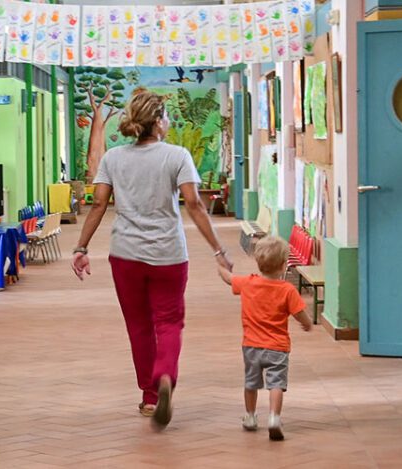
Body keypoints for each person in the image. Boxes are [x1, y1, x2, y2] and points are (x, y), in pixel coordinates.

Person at [71, 89, 233, 430]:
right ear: (158, 122)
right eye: (167, 117)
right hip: (169, 255)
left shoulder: (113, 158)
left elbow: (98, 204)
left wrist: (81, 248)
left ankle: (149, 396)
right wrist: (219, 249)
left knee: (139, 326)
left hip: (126, 256)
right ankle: (165, 376)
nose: (170, 122)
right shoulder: (177, 156)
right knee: (169, 322)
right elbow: (194, 204)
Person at [217, 236, 312, 441]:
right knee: (276, 383)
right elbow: (301, 315)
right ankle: (274, 418)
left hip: (251, 346)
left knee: (251, 383)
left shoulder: (248, 283)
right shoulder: (287, 290)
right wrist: (307, 324)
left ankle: (250, 417)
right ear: (283, 264)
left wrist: (220, 264)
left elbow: (227, 278)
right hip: (278, 347)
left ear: (258, 263)